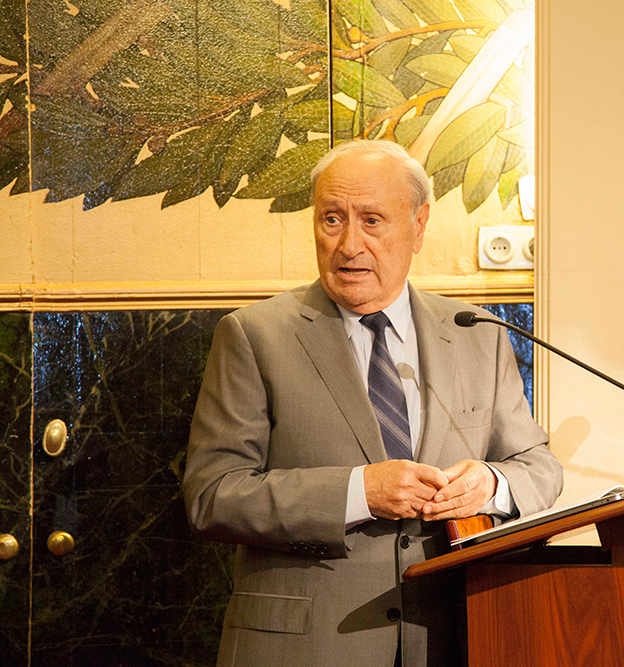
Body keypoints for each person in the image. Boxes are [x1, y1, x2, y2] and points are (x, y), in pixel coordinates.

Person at [182, 139, 563, 667]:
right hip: (304, 647)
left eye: (372, 220)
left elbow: (539, 467)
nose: (348, 245)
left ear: (418, 226)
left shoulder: (477, 333)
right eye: (332, 219)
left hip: (451, 638)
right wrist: (359, 492)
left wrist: (491, 484)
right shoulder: (254, 335)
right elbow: (212, 495)